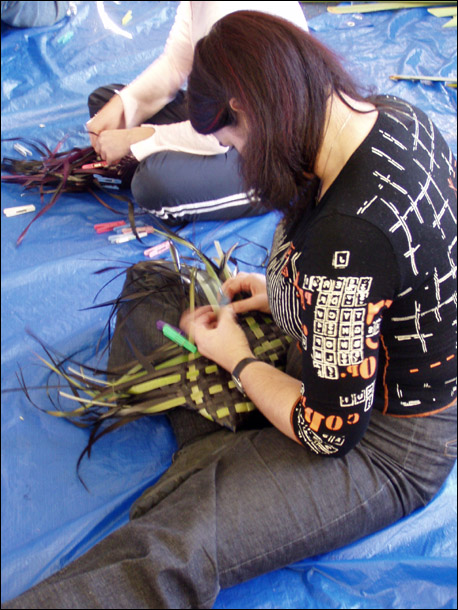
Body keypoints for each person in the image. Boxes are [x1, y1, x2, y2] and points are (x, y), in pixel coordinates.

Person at [2, 11, 456, 610]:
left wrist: (239, 361)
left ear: (252, 109)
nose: (235, 157)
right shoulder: (394, 116)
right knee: (154, 287)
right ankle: (226, 465)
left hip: (383, 442)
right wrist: (288, 295)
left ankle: (222, 479)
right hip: (335, 349)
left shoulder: (348, 242)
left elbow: (330, 432)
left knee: (175, 544)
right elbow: (384, 280)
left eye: (231, 140)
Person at [86, 1, 308, 224]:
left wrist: (136, 139)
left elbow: (224, 128)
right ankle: (175, 165)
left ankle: (254, 187)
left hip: (264, 148)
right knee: (104, 102)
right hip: (224, 117)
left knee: (151, 183)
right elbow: (174, 63)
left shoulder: (228, 13)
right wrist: (121, 104)